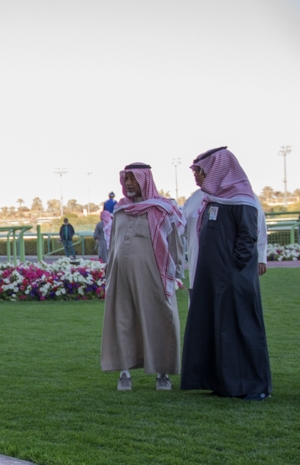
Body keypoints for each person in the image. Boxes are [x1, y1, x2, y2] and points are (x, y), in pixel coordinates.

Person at [181, 147, 271, 400]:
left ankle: (253, 386)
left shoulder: (242, 198)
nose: (197, 176)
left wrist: (233, 270)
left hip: (233, 278)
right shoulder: (211, 200)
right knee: (217, 328)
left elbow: (247, 237)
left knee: (242, 328)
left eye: (200, 171)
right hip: (213, 279)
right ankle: (222, 383)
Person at [101, 163, 184, 391]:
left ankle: (163, 374)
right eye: (125, 179)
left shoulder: (161, 209)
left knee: (160, 319)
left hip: (154, 276)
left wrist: (174, 274)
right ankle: (124, 372)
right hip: (120, 277)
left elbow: (176, 245)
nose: (128, 184)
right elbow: (112, 246)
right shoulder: (120, 210)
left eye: (133, 179)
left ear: (145, 181)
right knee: (123, 320)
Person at [182, 179, 267, 301]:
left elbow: (257, 225)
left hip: (229, 262)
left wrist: (261, 257)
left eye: (199, 170)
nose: (195, 175)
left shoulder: (242, 194)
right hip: (197, 260)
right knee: (199, 302)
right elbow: (183, 228)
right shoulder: (194, 198)